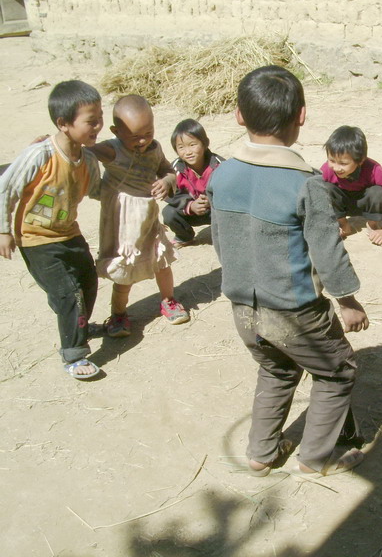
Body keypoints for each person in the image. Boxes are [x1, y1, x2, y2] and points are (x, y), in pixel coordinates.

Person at [207, 65, 369, 477]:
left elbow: (221, 242)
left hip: (243, 307)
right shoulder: (306, 183)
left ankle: (261, 453)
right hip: (296, 311)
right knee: (337, 372)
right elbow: (326, 249)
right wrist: (347, 301)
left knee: (277, 367)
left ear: (239, 116)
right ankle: (316, 458)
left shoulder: (221, 174)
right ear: (301, 116)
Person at [0, 80, 103, 379]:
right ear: (64, 123)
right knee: (68, 293)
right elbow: (6, 187)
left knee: (87, 281)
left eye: (100, 118)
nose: (98, 126)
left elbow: (100, 191)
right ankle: (73, 355)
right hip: (36, 239)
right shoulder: (40, 155)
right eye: (90, 121)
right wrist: (4, 230)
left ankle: (79, 323)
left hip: (69, 232)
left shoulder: (89, 160)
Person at [89, 95, 189, 337]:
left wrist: (167, 180)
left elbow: (168, 169)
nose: (143, 140)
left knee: (162, 263)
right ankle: (118, 315)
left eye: (149, 131)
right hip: (123, 223)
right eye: (135, 136)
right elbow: (82, 148)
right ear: (116, 131)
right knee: (125, 269)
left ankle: (168, 300)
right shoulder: (111, 151)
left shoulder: (154, 149)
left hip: (148, 218)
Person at [320, 125, 382, 248]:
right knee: (325, 188)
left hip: (366, 204)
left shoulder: (374, 170)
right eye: (332, 160)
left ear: (360, 160)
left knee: (378, 192)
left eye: (343, 163)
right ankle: (343, 225)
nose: (336, 168)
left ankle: (373, 225)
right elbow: (312, 192)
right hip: (342, 204)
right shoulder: (327, 170)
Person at [162, 119, 224, 248]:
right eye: (181, 147)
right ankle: (184, 236)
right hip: (191, 211)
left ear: (205, 144)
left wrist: (212, 201)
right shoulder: (175, 169)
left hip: (215, 211)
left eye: (192, 145)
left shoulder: (219, 165)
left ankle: (225, 235)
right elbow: (171, 195)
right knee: (168, 213)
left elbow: (230, 191)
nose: (188, 152)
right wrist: (190, 205)